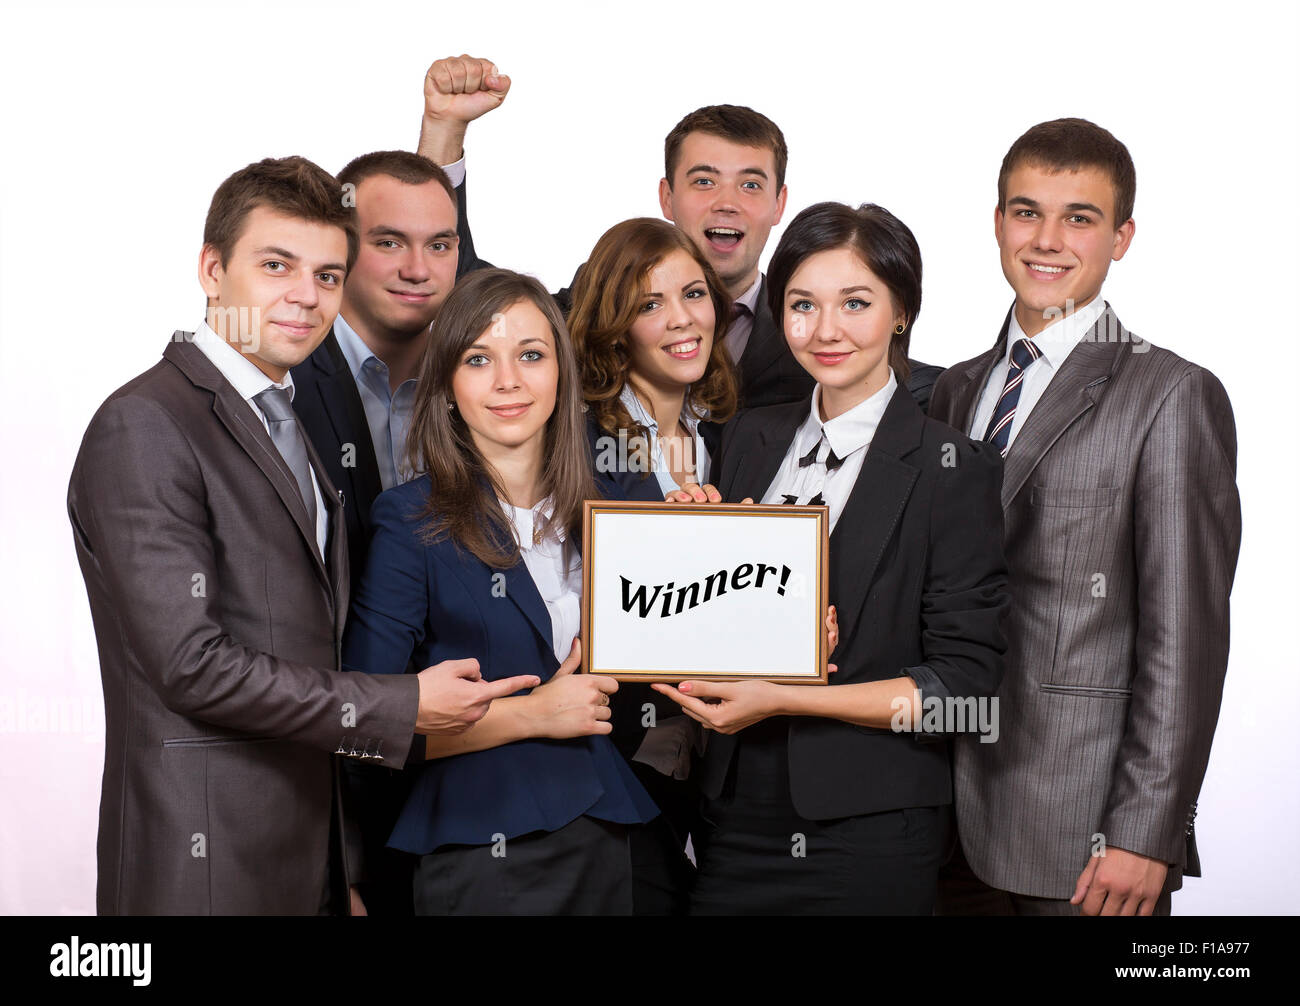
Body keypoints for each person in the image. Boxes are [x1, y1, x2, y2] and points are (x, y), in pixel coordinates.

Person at [67, 156, 539, 916]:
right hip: (204, 861)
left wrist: (340, 865)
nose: (304, 296)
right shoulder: (147, 423)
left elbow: (303, 644)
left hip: (310, 860)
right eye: (276, 265)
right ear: (212, 269)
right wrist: (400, 705)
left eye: (327, 274)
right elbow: (189, 665)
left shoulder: (284, 419)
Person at [657, 201, 1009, 914]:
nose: (825, 331)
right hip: (730, 814)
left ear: (901, 311)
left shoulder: (954, 468)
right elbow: (720, 623)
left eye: (856, 303)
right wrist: (686, 560)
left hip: (869, 832)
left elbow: (963, 694)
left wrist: (788, 696)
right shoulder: (749, 437)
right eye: (802, 305)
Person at [929, 118, 1241, 916]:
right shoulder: (952, 391)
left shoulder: (1170, 395)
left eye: (1081, 217)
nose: (1047, 239)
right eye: (1027, 211)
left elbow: (1187, 639)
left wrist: (1146, 831)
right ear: (998, 221)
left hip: (1081, 834)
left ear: (1122, 237)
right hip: (933, 819)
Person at [341, 267, 659, 915]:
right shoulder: (409, 520)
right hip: (489, 851)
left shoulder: (617, 501)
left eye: (531, 355)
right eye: (479, 359)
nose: (508, 380)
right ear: (449, 387)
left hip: (615, 830)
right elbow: (361, 727)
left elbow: (685, 639)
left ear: (561, 374)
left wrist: (786, 623)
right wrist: (532, 714)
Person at [413, 54, 947, 412]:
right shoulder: (601, 301)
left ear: (780, 204)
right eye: (704, 180)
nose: (727, 203)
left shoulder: (820, 326)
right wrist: (444, 131)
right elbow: (461, 294)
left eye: (751, 184)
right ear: (667, 198)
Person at [290, 150, 464, 917]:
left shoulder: (490, 377)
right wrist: (343, 858)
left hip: (471, 766)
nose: (419, 268)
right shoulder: (282, 378)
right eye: (389, 241)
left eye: (442, 244)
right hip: (335, 769)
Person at [563, 217, 737, 912]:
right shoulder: (575, 437)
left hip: (722, 761)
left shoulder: (736, 429)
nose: (681, 319)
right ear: (614, 324)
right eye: (648, 303)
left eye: (692, 293)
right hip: (615, 755)